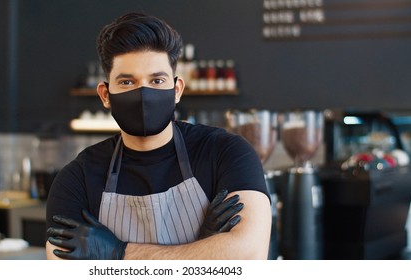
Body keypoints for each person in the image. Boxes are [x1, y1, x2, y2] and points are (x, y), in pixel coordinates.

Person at [45, 12, 271, 260]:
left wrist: (119, 253)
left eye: (157, 80)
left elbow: (249, 256)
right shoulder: (77, 179)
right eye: (127, 82)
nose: (143, 94)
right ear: (105, 95)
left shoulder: (226, 153)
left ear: (176, 90)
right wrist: (206, 250)